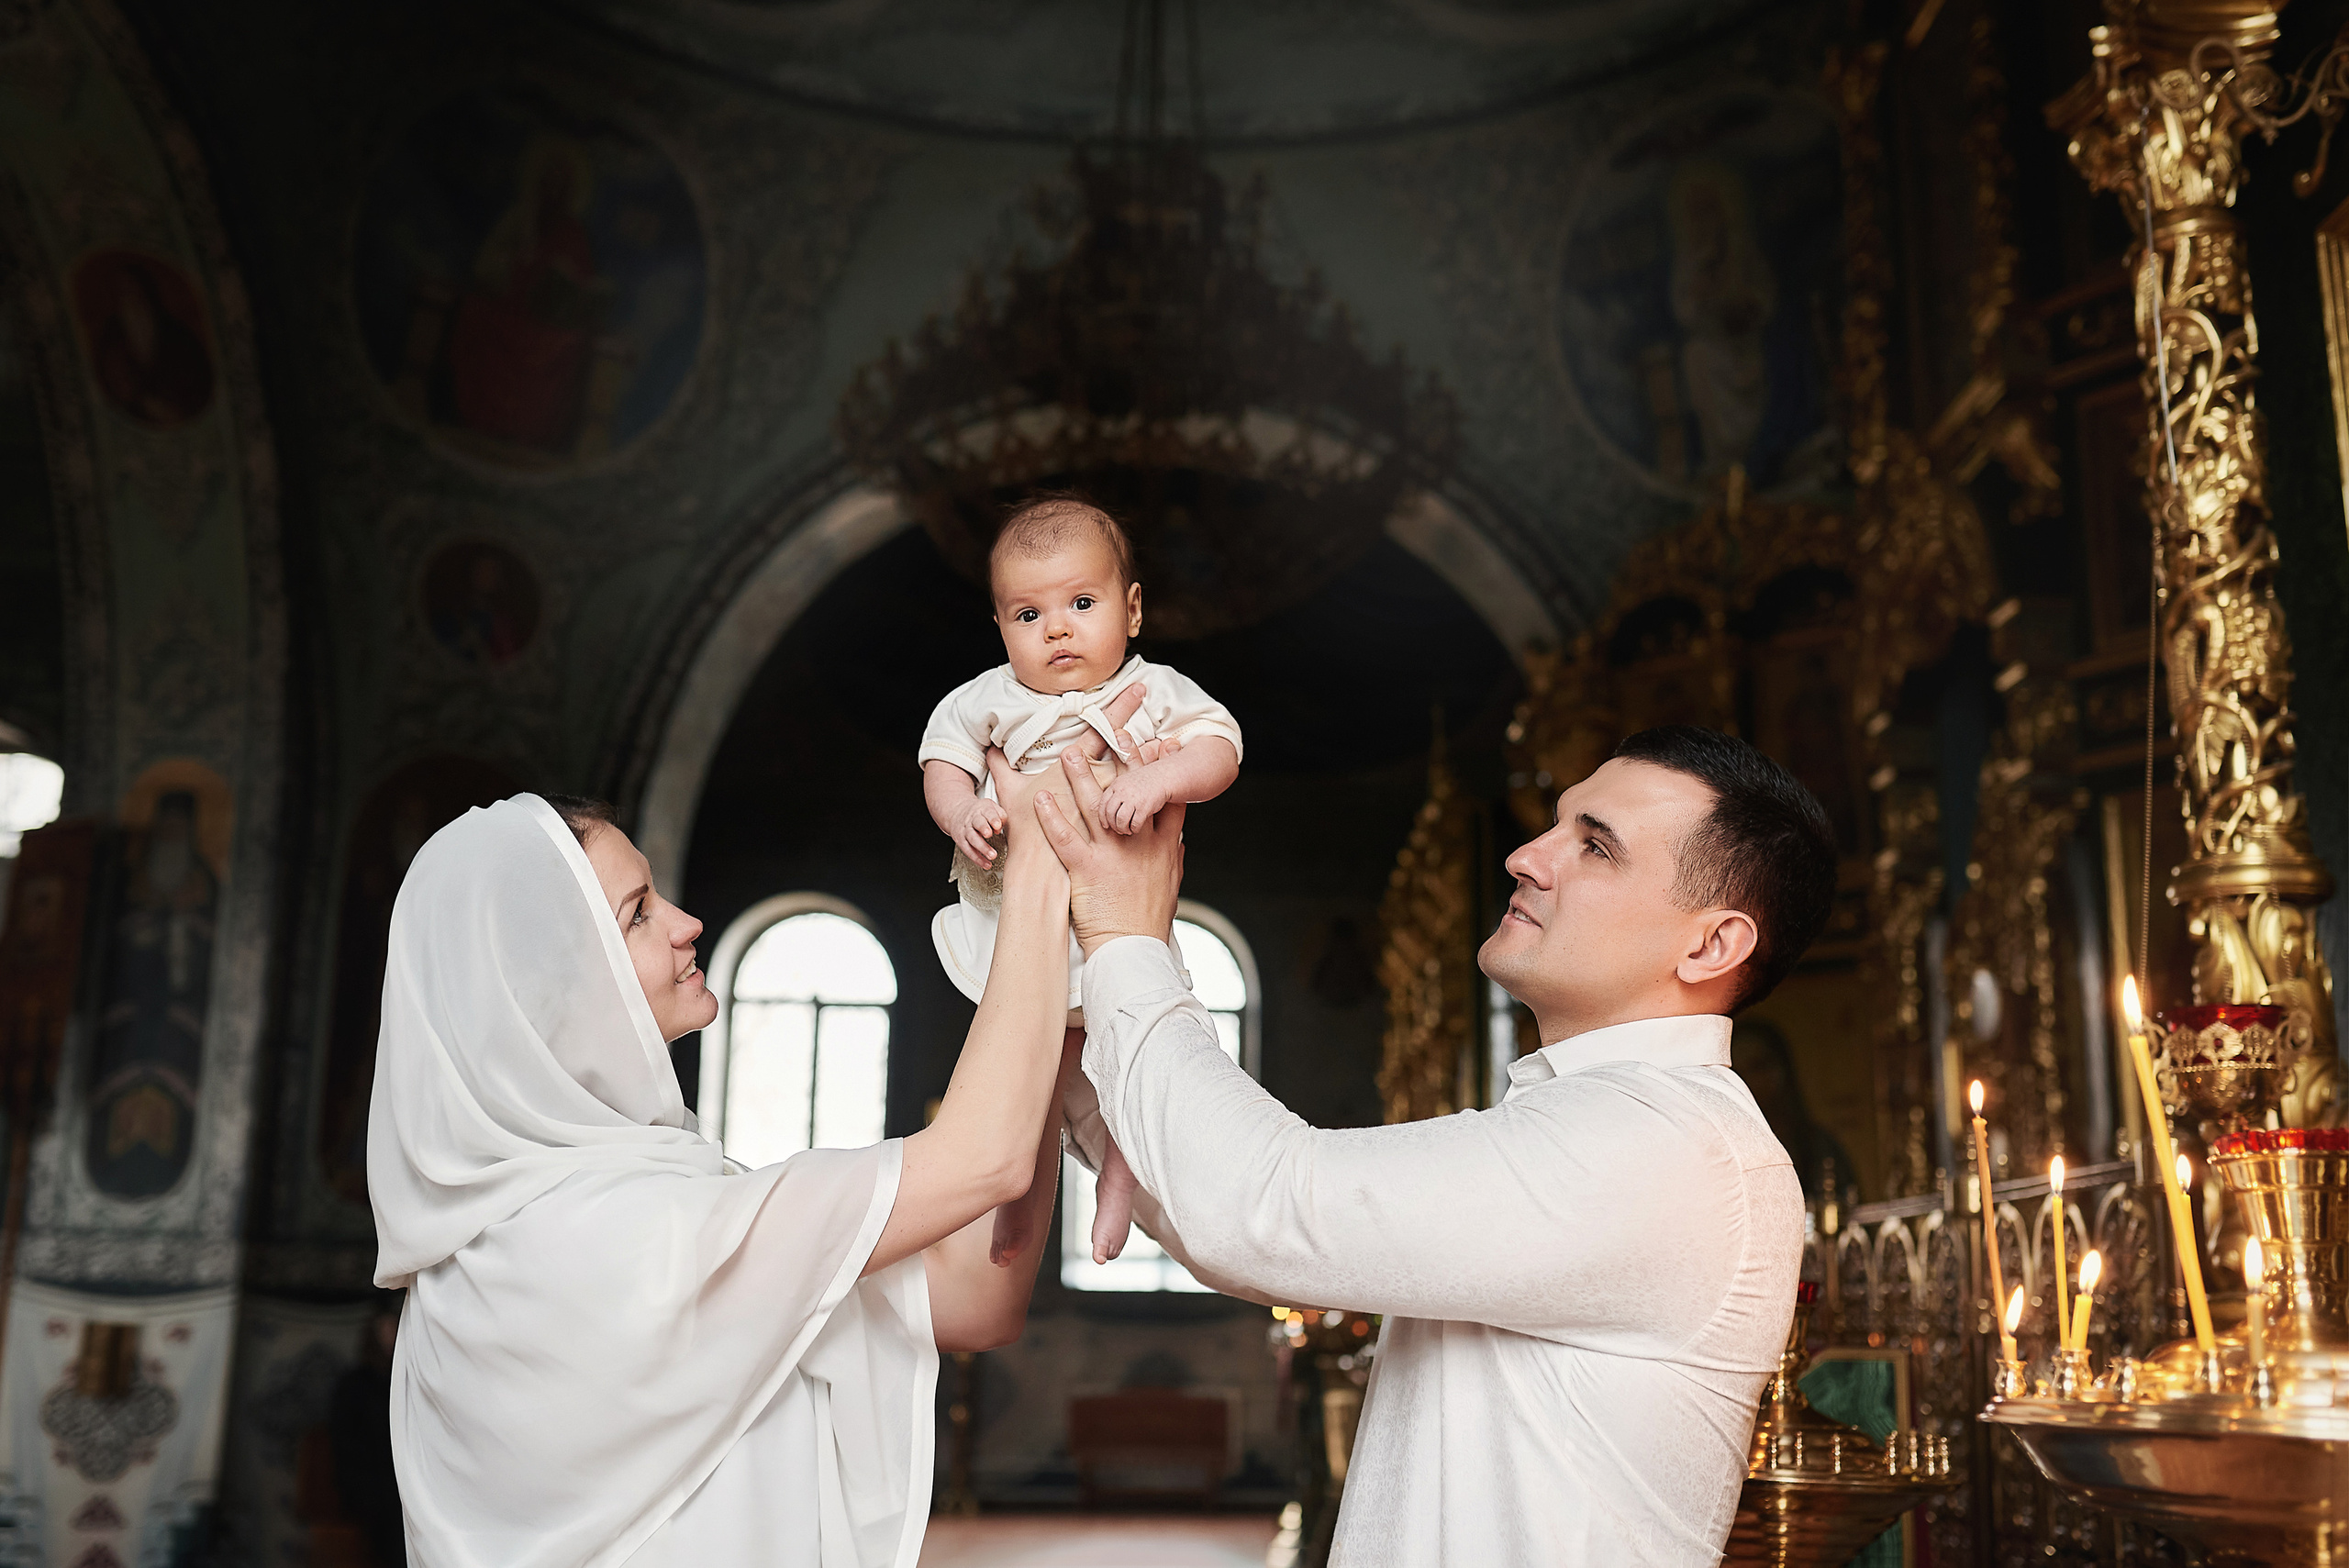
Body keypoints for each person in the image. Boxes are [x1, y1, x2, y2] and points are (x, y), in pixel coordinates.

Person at [1035, 723, 1835, 1565]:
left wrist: (1126, 940)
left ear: (1710, 944)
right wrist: (1088, 1058)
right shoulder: (1617, 1120)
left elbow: (1267, 1206)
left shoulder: (1671, 1146)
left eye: (1595, 847)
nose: (1528, 854)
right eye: (1557, 823)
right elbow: (1217, 1213)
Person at [365, 756, 1085, 1568]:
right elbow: (981, 1160)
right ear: (548, 982)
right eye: (637, 914)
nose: (684, 923)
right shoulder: (605, 1238)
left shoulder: (536, 1236)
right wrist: (1044, 865)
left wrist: (1061, 1012)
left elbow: (975, 1292)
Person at [920, 495, 1241, 1266]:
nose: (1056, 628)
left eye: (1082, 602)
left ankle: (1118, 1190)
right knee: (1029, 1079)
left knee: (1133, 1058)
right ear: (999, 627)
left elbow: (1221, 747)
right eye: (1027, 615)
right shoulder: (986, 698)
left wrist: (1163, 779)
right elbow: (942, 760)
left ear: (1132, 610)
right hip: (1021, 932)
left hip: (1116, 925)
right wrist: (962, 808)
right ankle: (1017, 1216)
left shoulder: (1157, 687)